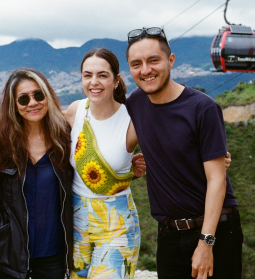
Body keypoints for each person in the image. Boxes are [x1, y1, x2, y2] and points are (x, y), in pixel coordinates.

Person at [125, 27, 243, 279]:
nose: (145, 70)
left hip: (215, 230)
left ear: (170, 60)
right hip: (168, 233)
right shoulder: (135, 101)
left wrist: (206, 243)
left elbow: (216, 179)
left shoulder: (203, 108)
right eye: (137, 64)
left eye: (153, 60)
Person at [0, 67, 74, 279]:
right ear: (14, 105)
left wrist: (128, 171)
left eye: (38, 95)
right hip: (9, 254)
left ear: (48, 97)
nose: (32, 103)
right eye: (23, 99)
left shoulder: (65, 138)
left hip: (53, 253)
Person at [64, 48, 143, 279]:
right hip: (76, 219)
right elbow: (37, 126)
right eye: (87, 75)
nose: (94, 82)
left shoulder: (131, 121)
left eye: (102, 75)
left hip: (116, 222)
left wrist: (211, 157)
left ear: (116, 80)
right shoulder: (76, 110)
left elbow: (169, 148)